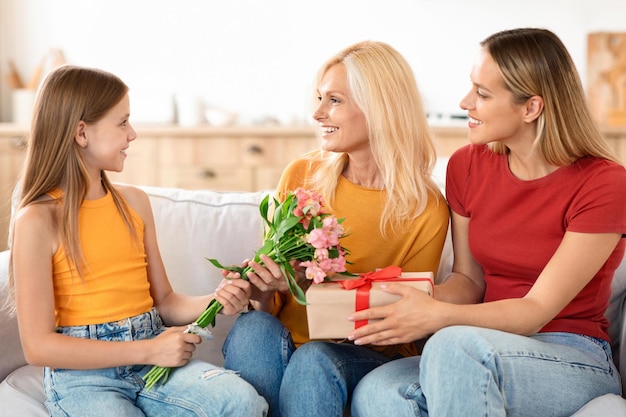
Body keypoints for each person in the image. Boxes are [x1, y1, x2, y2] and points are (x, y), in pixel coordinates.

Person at [350, 28, 626, 417]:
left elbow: (536, 308)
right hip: (480, 345)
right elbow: (469, 280)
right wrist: (412, 301)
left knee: (451, 346)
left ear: (531, 108)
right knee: (378, 390)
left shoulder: (604, 183)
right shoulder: (467, 166)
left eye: (482, 93)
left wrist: (439, 317)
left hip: (570, 354)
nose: (465, 103)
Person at [8, 65, 268, 417]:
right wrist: (147, 351)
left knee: (243, 402)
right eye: (122, 122)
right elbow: (38, 347)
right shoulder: (37, 220)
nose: (132, 134)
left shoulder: (134, 203)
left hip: (152, 358)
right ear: (82, 132)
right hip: (84, 378)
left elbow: (165, 303)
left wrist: (217, 300)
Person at [221, 40, 450, 417]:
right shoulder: (302, 175)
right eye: (319, 98)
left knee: (315, 358)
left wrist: (314, 286)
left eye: (335, 100)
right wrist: (261, 285)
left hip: (357, 354)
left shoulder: (424, 208)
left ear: (380, 108)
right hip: (284, 343)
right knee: (252, 329)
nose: (317, 113)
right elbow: (268, 305)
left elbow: (402, 322)